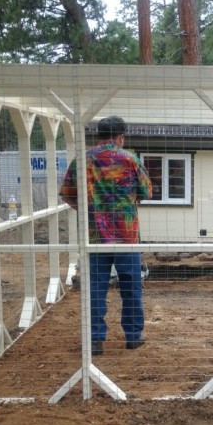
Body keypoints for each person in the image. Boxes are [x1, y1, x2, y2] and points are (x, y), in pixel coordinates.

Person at [59, 116, 152, 355]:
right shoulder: (130, 159)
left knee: (95, 288)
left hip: (95, 236)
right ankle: (133, 336)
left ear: (99, 135)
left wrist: (91, 209)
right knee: (131, 286)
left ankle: (95, 339)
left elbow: (68, 193)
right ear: (121, 136)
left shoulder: (83, 159)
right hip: (127, 236)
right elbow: (146, 191)